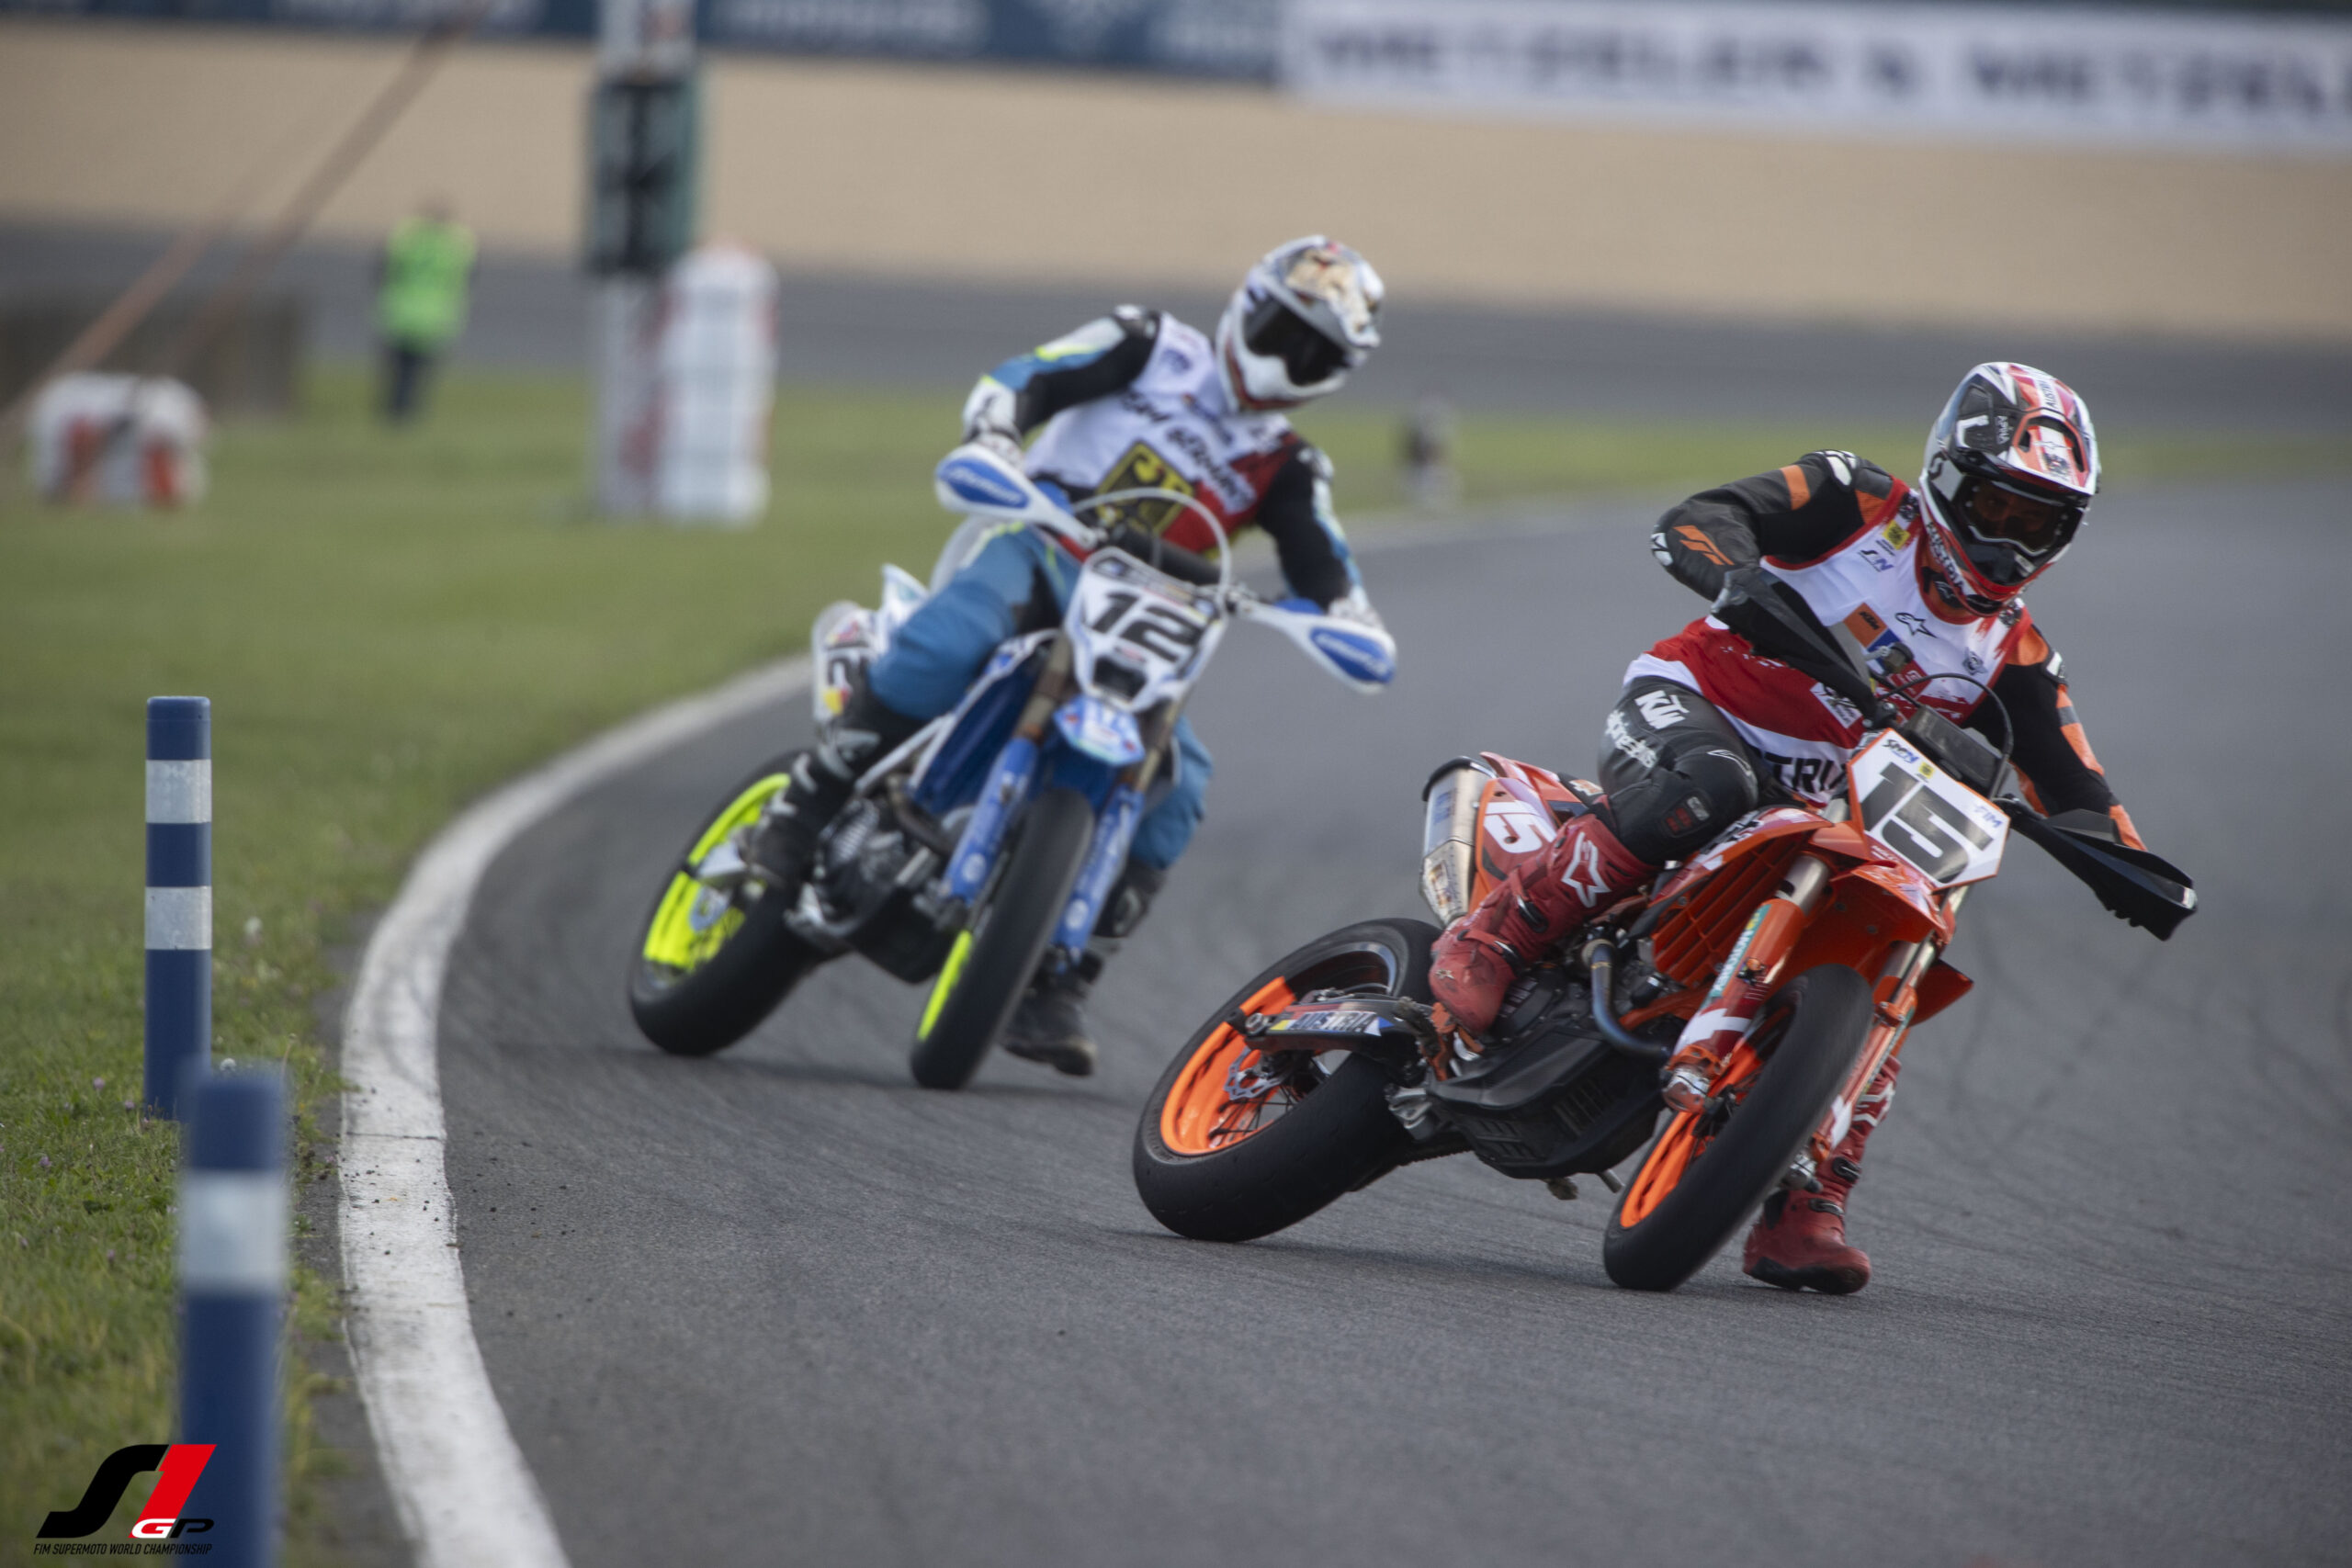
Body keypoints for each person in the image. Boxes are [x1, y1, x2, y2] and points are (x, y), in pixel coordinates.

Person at [1428, 363, 2153, 1294]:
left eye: (2038, 522)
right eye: (1996, 507)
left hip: (1826, 812)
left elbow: (2082, 789)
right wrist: (1737, 580)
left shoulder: (2017, 654)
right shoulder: (1856, 501)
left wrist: (2135, 869)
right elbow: (1700, 519)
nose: (2010, 539)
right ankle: (1497, 934)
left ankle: (1809, 1192)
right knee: (1714, 783)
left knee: (1913, 932)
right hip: (1693, 709)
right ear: (1946, 476)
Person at [751, 237, 1390, 1077]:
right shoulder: (1151, 343)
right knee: (951, 642)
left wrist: (1348, 617)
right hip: (1047, 544)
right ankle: (806, 804)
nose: (1287, 360)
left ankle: (1060, 975)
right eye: (1283, 332)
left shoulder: (1289, 462)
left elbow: (1325, 562)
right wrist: (993, 436)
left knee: (1182, 788)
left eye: (1314, 355)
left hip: (1151, 618)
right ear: (1248, 305)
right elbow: (1030, 377)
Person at [376, 199, 475, 423]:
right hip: (434, 315)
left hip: (401, 310)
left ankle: (394, 410)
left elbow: (382, 271)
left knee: (398, 367)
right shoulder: (455, 245)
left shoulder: (406, 239)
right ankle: (410, 412)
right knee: (420, 370)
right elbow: (468, 278)